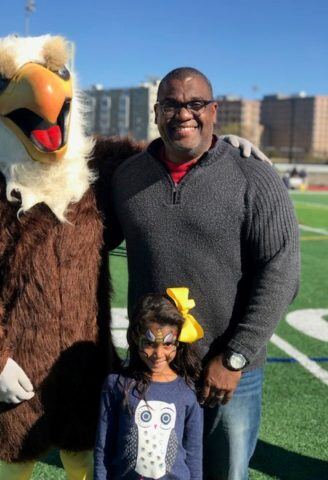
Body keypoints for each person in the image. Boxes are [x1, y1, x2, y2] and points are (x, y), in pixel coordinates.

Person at [111, 67, 300, 480]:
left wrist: (235, 356)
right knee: (152, 472)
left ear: (213, 110)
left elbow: (283, 271)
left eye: (195, 104)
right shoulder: (127, 178)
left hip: (228, 369)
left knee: (226, 473)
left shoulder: (254, 175)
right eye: (172, 105)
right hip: (154, 365)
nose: (184, 114)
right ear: (156, 112)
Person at [94, 288, 204, 480]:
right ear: (136, 338)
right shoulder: (116, 384)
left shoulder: (188, 391)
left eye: (168, 344)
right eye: (149, 343)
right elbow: (103, 446)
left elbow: (194, 453)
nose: (158, 354)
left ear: (178, 342)